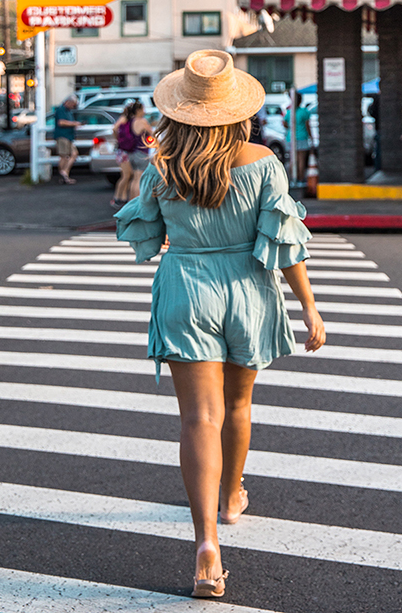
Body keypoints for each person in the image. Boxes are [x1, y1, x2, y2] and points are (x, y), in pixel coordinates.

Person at [114, 50, 325, 600]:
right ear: (237, 109)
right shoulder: (263, 160)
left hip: (186, 288)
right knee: (237, 407)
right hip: (249, 287)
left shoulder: (161, 166)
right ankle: (232, 497)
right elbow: (285, 245)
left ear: (179, 108)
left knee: (197, 420)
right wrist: (309, 307)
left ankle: (206, 545)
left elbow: (145, 237)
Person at [111, 100, 146, 207]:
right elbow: (114, 128)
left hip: (126, 150)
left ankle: (123, 197)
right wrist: (119, 140)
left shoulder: (129, 119)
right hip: (123, 151)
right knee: (126, 175)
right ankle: (117, 197)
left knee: (129, 175)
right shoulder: (125, 118)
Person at [283, 90, 313, 183]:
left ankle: (292, 179)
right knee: (301, 160)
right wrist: (311, 136)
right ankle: (300, 179)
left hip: (290, 138)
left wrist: (290, 128)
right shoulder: (304, 112)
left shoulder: (289, 112)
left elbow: (284, 123)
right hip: (302, 137)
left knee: (293, 160)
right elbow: (308, 126)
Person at [53, 95, 82, 184]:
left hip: (68, 136)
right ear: (68, 102)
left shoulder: (68, 111)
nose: (73, 106)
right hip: (63, 135)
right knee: (64, 156)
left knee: (74, 153)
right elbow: (61, 122)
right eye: (73, 104)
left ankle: (65, 173)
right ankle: (64, 175)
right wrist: (74, 124)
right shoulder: (61, 110)